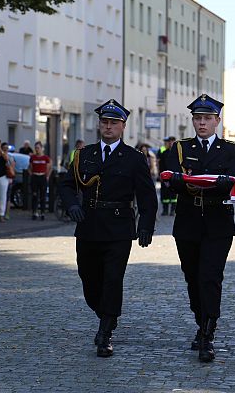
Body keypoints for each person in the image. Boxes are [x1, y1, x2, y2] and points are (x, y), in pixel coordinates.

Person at [58, 99, 157, 358]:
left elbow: (147, 196)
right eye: (105, 122)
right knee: (89, 279)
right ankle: (105, 313)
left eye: (114, 122)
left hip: (119, 227)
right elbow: (66, 184)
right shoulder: (84, 155)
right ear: (99, 124)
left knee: (113, 279)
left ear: (123, 126)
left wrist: (146, 225)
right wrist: (71, 205)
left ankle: (105, 332)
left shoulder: (134, 158)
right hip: (88, 224)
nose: (108, 126)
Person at [165, 94, 235, 363]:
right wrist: (182, 181)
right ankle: (201, 320)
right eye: (198, 118)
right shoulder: (180, 148)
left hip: (218, 221)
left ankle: (208, 333)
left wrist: (215, 184)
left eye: (207, 119)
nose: (202, 123)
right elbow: (170, 178)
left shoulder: (231, 149)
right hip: (188, 221)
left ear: (217, 121)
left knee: (210, 276)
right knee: (192, 277)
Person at [28, 141, 51, 220]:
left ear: (41, 148)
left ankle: (42, 213)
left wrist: (47, 176)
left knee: (42, 196)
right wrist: (31, 174)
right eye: (36, 148)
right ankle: (35, 212)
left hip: (42, 177)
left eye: (38, 148)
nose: (37, 149)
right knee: (35, 195)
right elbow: (29, 168)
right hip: (35, 177)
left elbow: (49, 168)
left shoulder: (45, 158)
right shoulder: (32, 157)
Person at [158, 136, 177, 216]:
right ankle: (165, 210)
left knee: (173, 194)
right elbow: (160, 164)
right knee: (165, 194)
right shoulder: (164, 153)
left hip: (174, 176)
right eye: (169, 142)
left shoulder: (177, 153)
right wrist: (160, 175)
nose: (170, 143)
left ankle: (173, 210)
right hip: (165, 176)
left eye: (172, 142)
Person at [2, 142, 16, 220]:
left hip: (8, 178)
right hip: (0, 177)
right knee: (0, 196)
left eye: (6, 148)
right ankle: (0, 213)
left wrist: (11, 177)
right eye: (4, 148)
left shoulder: (11, 157)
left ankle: (6, 213)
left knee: (7, 197)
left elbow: (12, 168)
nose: (5, 150)